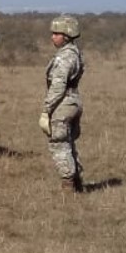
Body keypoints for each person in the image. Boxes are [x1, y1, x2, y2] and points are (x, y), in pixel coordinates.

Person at [41, 15, 85, 193]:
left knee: (59, 145)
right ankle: (78, 183)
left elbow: (58, 86)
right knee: (69, 144)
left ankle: (68, 187)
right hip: (73, 101)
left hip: (63, 104)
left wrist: (46, 110)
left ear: (66, 35)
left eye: (56, 33)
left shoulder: (64, 58)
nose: (53, 37)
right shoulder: (75, 53)